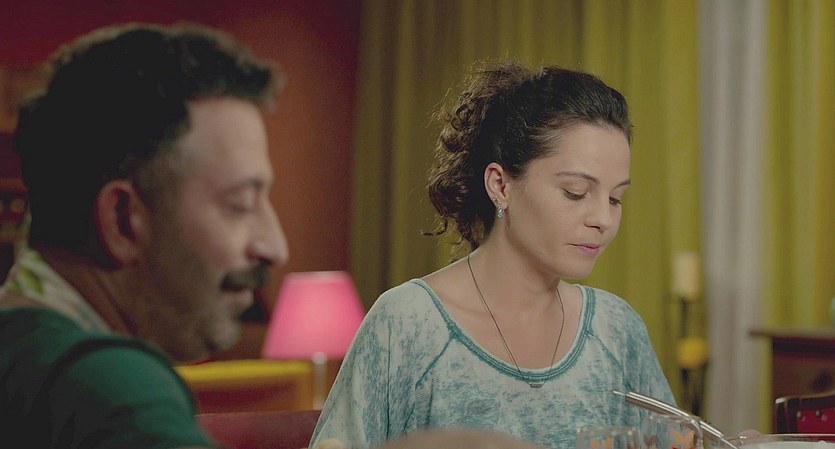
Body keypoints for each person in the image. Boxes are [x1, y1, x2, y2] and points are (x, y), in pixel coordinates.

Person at [0, 23, 545, 449]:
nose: (274, 246)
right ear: (123, 219)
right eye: (239, 205)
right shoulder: (107, 389)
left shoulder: (25, 350)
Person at [310, 60, 675, 449]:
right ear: (500, 185)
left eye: (616, 198)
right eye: (575, 192)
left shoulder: (616, 330)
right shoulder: (407, 325)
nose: (603, 219)